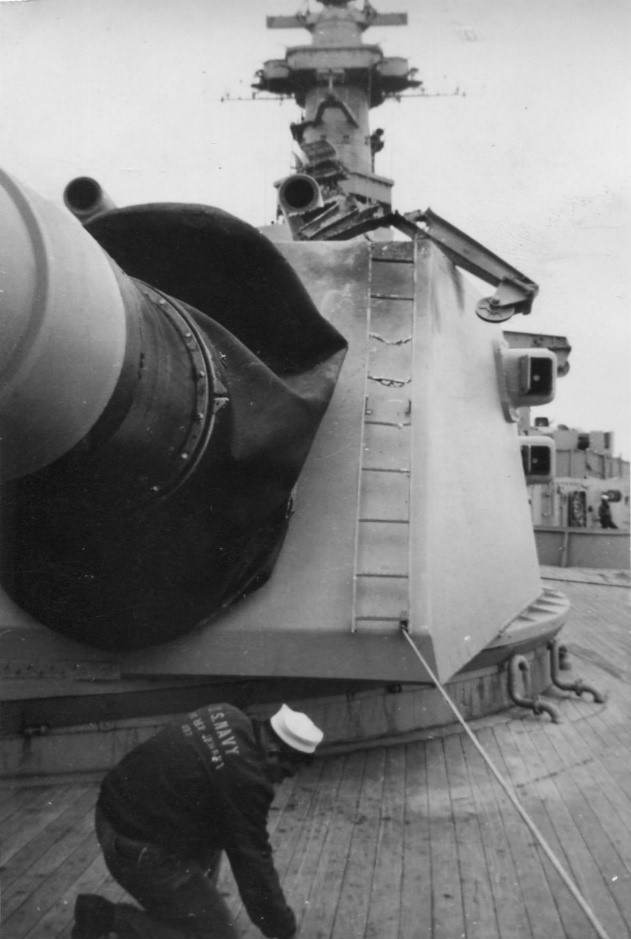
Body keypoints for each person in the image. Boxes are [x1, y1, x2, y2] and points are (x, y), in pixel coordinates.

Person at [72, 703, 324, 939]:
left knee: (223, 821)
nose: (279, 781)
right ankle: (104, 917)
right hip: (136, 849)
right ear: (273, 752)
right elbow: (253, 863)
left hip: (113, 812)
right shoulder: (247, 780)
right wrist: (283, 930)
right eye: (284, 773)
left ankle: (184, 910)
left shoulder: (227, 713)